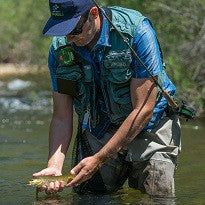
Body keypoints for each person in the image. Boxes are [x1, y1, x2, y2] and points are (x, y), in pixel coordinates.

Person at [33, 0, 181, 197]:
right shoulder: (60, 51)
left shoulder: (136, 32)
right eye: (63, 30)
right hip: (98, 128)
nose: (68, 39)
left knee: (157, 198)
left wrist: (100, 159)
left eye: (74, 30)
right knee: (92, 199)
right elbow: (62, 117)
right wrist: (54, 166)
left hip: (150, 127)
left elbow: (143, 110)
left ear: (93, 13)